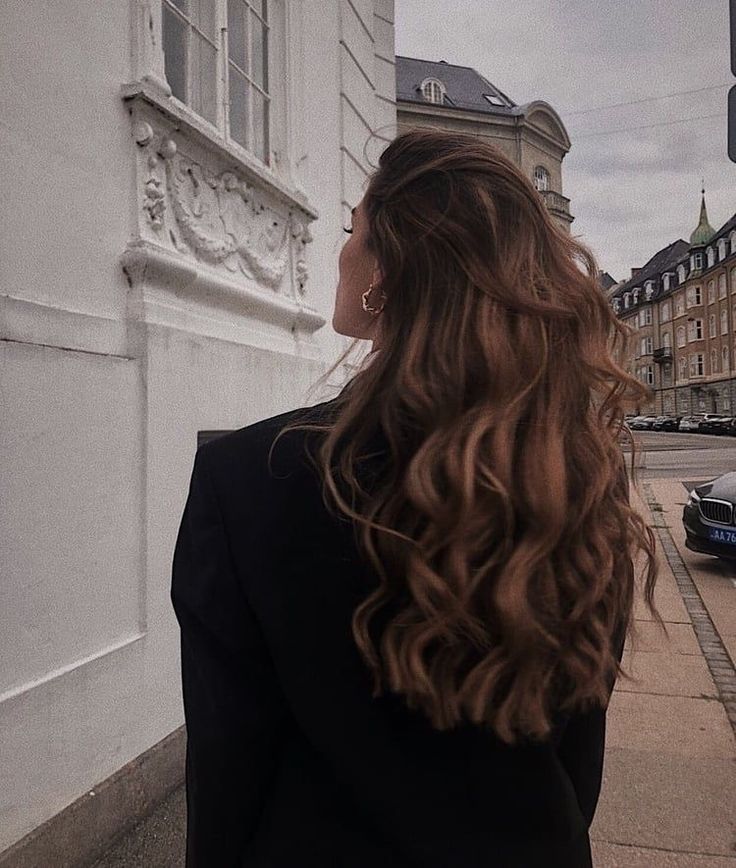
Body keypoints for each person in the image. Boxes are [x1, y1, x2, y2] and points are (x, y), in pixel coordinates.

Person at [170, 128, 662, 867]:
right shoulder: (575, 474)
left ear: (386, 270)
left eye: (352, 228)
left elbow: (227, 764)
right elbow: (575, 770)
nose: (341, 248)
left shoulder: (244, 479)